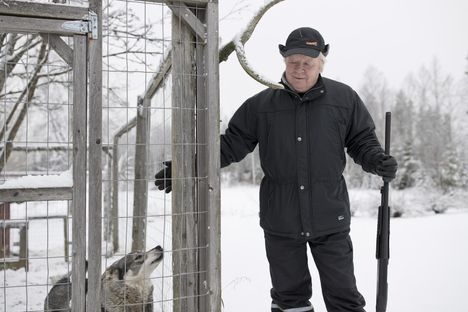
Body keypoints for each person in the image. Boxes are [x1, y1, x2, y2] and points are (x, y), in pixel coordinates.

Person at [155, 27, 398, 312]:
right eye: (294, 61)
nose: (300, 68)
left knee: (344, 298)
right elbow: (229, 145)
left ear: (321, 63)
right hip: (281, 221)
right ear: (284, 61)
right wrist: (186, 168)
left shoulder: (343, 100)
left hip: (330, 216)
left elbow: (362, 141)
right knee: (290, 300)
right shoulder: (261, 106)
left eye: (308, 62)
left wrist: (377, 160)